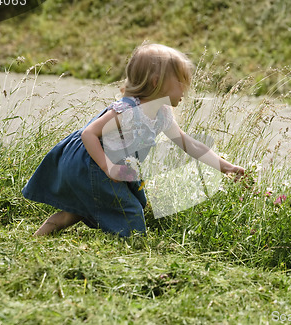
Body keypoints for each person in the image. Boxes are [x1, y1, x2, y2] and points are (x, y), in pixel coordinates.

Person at [23, 43, 245, 237]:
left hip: (113, 166)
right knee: (130, 212)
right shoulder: (128, 111)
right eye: (181, 81)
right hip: (94, 163)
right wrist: (107, 167)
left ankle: (38, 237)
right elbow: (89, 133)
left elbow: (190, 144)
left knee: (76, 211)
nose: (186, 88)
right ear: (157, 82)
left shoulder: (162, 113)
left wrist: (225, 167)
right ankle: (132, 243)